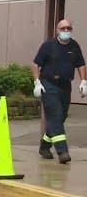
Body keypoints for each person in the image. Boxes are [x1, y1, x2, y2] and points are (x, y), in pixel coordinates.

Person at [32, 19, 87, 163]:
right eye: (63, 28)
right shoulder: (48, 46)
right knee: (55, 115)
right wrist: (37, 82)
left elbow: (81, 64)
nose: (66, 31)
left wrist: (83, 81)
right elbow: (36, 64)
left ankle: (44, 146)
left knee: (61, 116)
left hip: (65, 86)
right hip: (48, 84)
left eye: (69, 28)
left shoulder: (74, 46)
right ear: (57, 30)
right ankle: (63, 151)